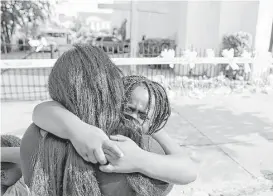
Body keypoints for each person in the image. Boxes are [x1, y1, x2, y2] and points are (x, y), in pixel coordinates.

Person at [20, 45, 196, 195]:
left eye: (142, 115)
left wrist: (76, 129)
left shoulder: (34, 138)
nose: (135, 117)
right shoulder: (141, 149)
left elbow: (41, 111)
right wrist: (141, 158)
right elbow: (188, 171)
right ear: (114, 87)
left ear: (56, 90)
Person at [32, 75, 197, 184]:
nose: (133, 118)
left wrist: (139, 160)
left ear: (153, 121)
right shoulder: (98, 122)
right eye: (128, 108)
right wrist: (78, 130)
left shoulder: (151, 130)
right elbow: (42, 111)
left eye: (142, 115)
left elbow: (189, 171)